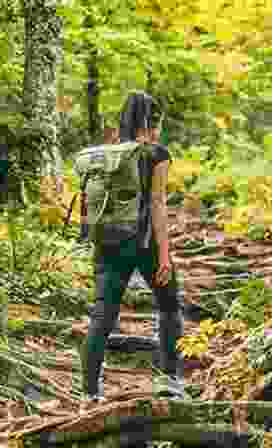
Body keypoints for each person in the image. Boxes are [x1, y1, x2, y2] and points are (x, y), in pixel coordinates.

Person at [82, 91, 186, 402]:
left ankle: (89, 391)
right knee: (169, 306)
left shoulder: (109, 152)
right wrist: (164, 255)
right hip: (144, 243)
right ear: (152, 122)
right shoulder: (157, 153)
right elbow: (157, 204)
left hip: (108, 242)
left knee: (102, 315)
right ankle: (170, 378)